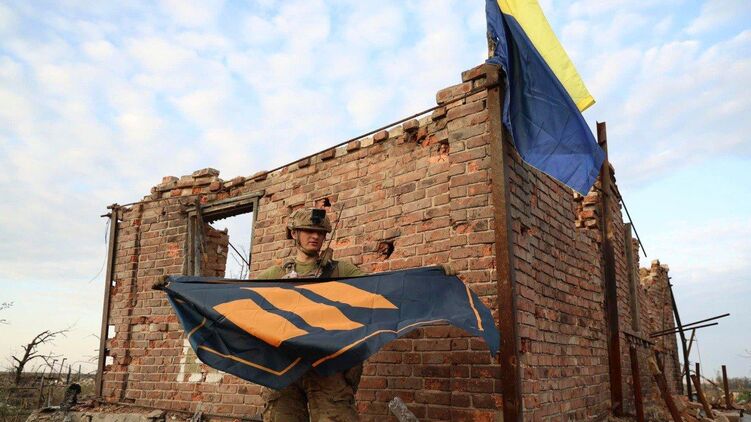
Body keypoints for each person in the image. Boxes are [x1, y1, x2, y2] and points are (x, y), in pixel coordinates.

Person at [256, 207, 363, 422]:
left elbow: (377, 292)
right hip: (284, 367)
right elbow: (243, 305)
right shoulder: (274, 275)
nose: (315, 236)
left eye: (320, 233)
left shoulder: (342, 271)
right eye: (308, 231)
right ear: (294, 233)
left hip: (328, 366)